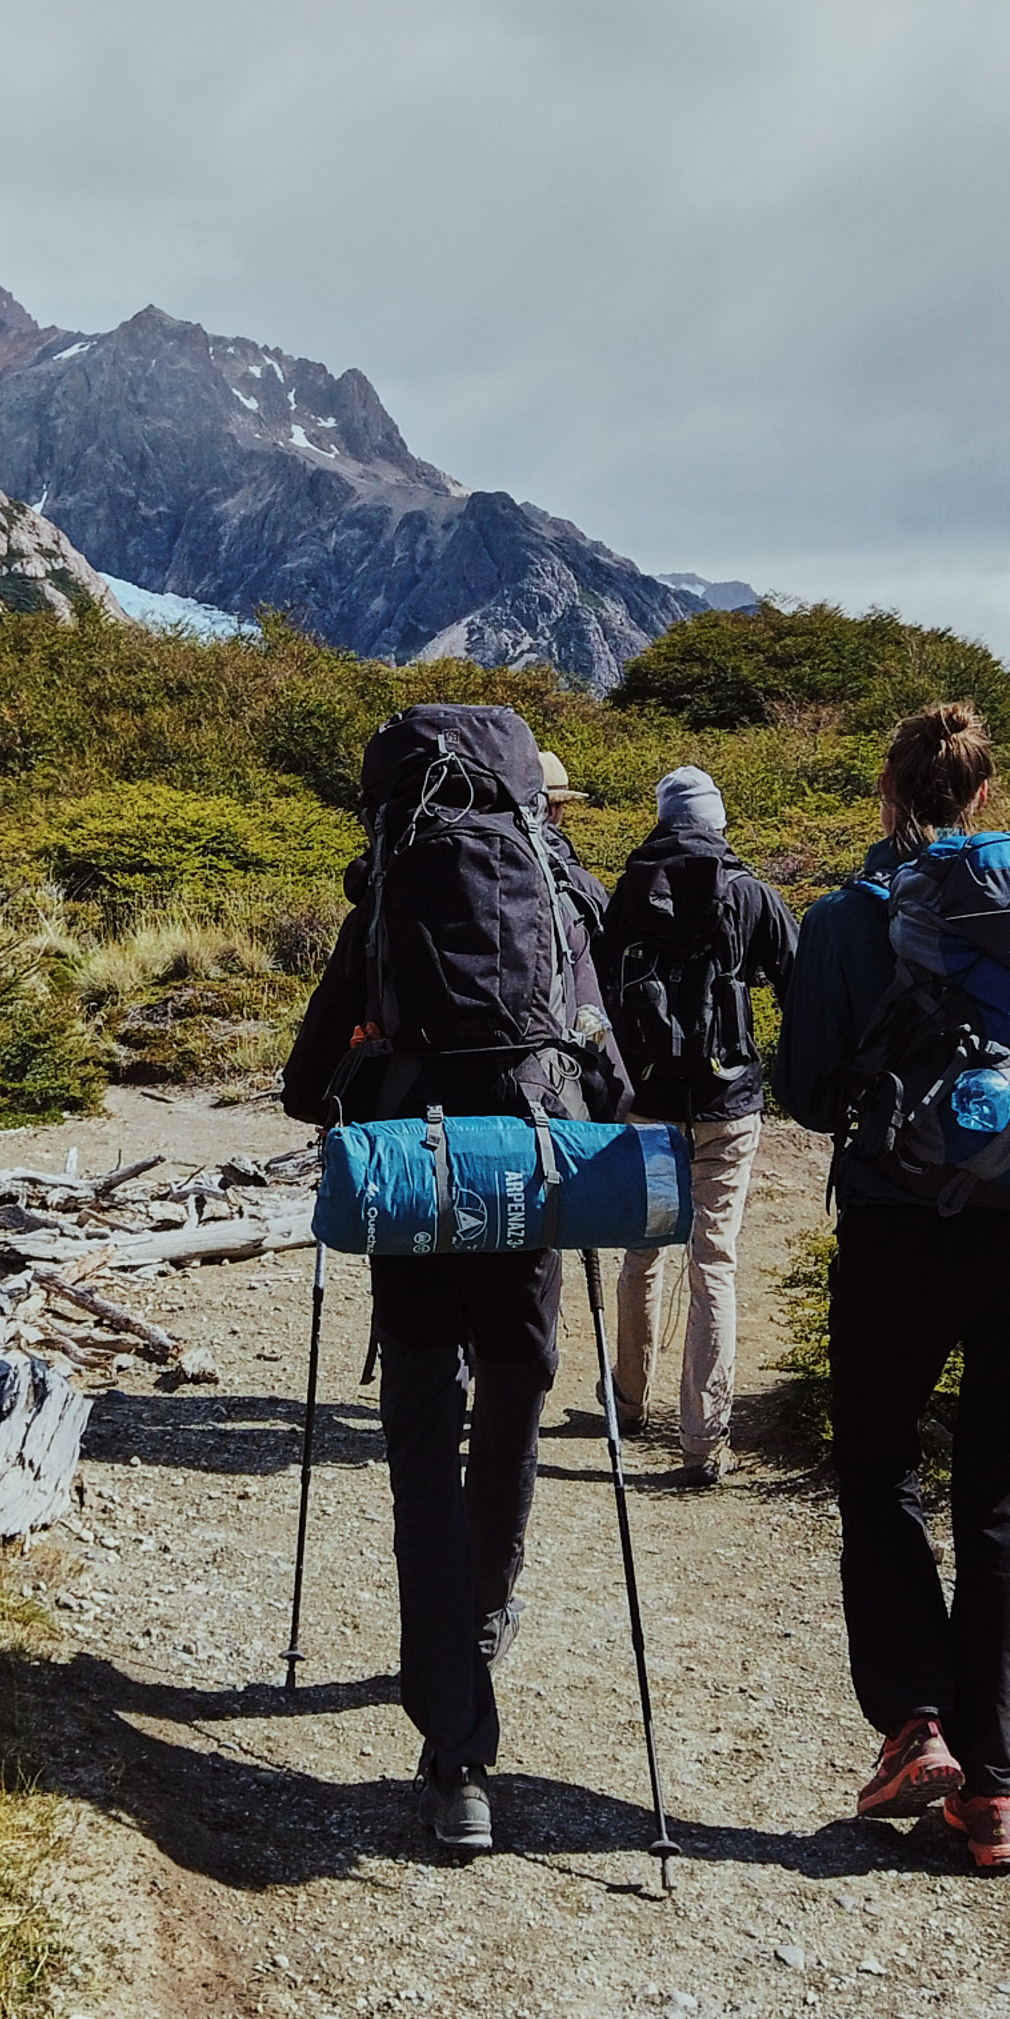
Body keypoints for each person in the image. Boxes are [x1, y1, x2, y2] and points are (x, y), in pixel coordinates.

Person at [283, 705, 624, 1857]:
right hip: (525, 1197)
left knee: (422, 1456)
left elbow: (301, 1083)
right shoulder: (558, 893)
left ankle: (455, 1760)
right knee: (513, 1421)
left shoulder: (387, 896)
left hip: (418, 1201)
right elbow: (611, 1077)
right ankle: (488, 1609)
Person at [772, 702, 1010, 1877]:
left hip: (905, 1231)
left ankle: (915, 1724)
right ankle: (997, 1797)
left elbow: (806, 1093)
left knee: (874, 1462)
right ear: (984, 793)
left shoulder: (845, 918)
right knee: (1005, 1499)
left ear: (888, 793)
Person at [597, 764, 795, 1486]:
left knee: (642, 1252)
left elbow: (602, 992)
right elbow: (800, 982)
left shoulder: (628, 889)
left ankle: (626, 1400)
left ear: (662, 815)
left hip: (649, 1106)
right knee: (714, 1261)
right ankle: (704, 1441)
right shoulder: (751, 893)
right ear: (718, 819)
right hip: (728, 1108)